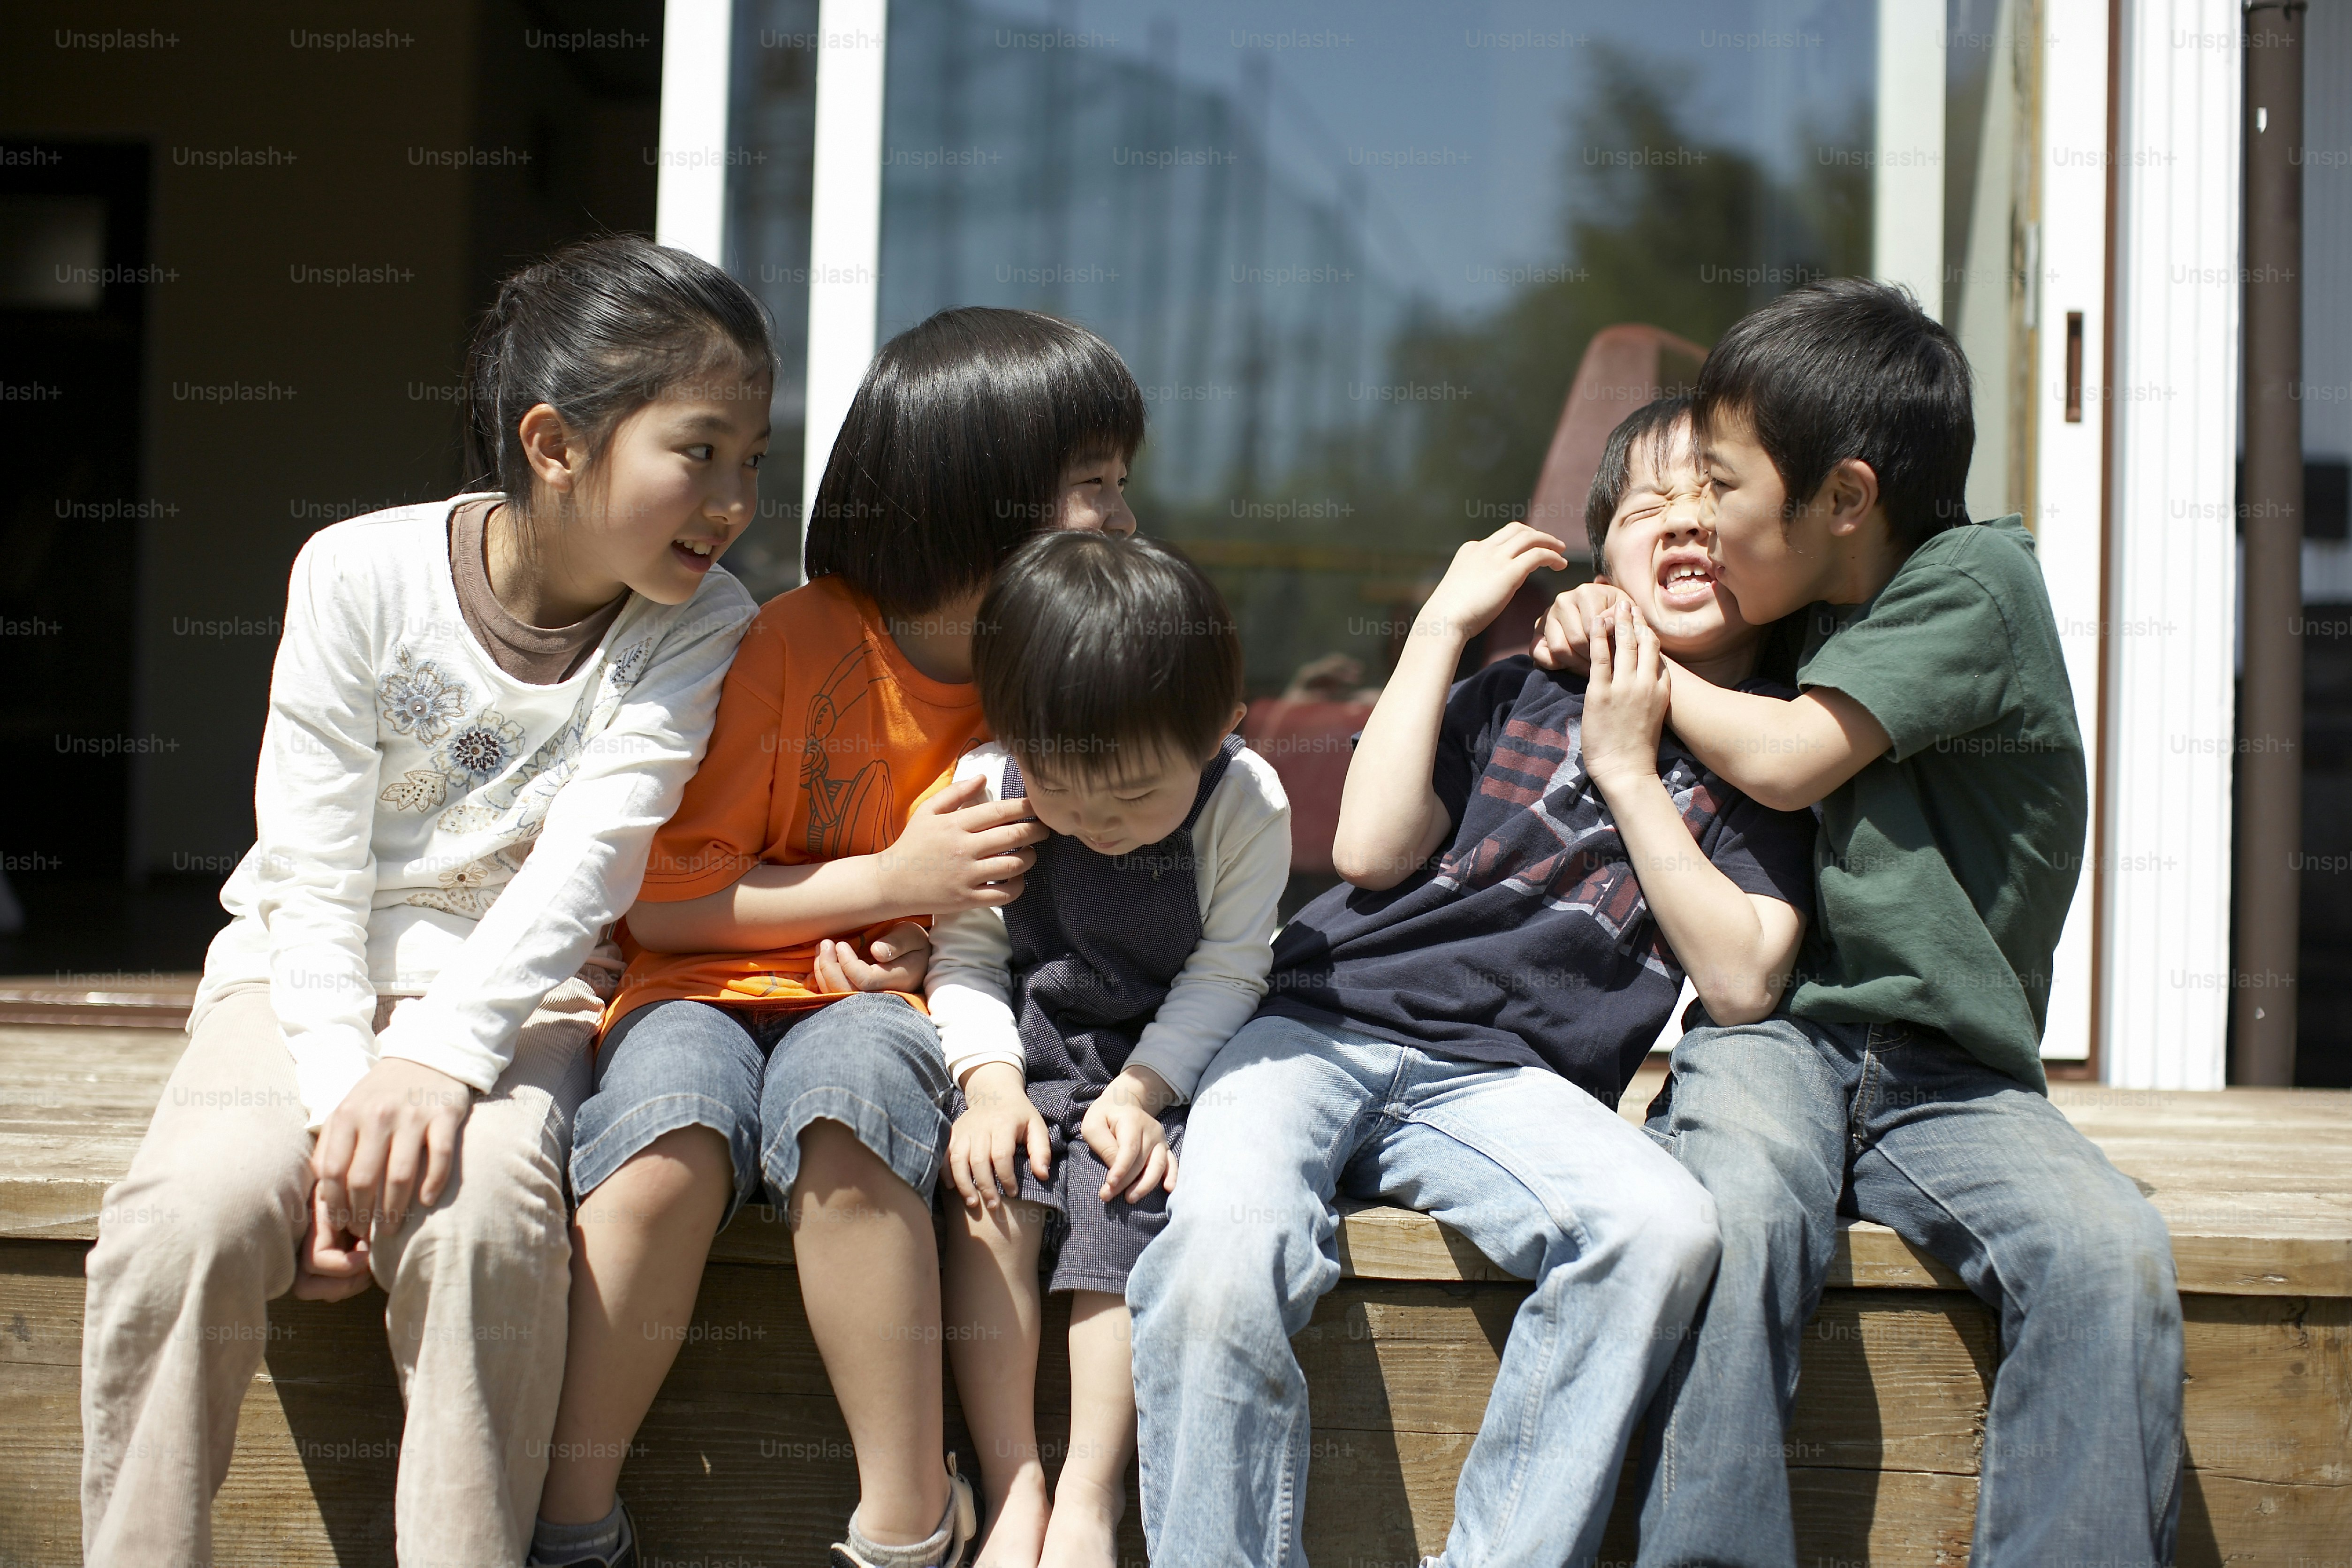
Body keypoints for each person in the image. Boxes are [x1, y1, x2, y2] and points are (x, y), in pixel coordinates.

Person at [79, 233, 769, 1568]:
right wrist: (350, 1104)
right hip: (297, 985)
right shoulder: (357, 574)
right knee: (189, 1219)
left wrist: (439, 1063)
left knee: (483, 1228)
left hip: (517, 1005)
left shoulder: (701, 622)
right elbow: (312, 866)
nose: (733, 496)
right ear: (555, 444)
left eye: (752, 458)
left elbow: (588, 869)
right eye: (699, 451)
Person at [1538, 279, 2183, 1568]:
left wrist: (1632, 679)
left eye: (1720, 487)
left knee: (2106, 1256)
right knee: (1736, 1208)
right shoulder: (1792, 596)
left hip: (1952, 1073)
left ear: (1841, 498)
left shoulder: (1975, 585)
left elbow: (1781, 759)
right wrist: (1591, 608)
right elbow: (1653, 588)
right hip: (1778, 1039)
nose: (1698, 519)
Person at [1128, 395, 1819, 1565]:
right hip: (1315, 1025)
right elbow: (1366, 851)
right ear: (1603, 546)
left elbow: (1745, 977)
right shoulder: (1510, 692)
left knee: (1658, 1224)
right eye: (1653, 502)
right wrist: (1443, 629)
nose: (1686, 521)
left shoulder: (1767, 761)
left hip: (1509, 1086)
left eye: (1716, 498)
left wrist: (1628, 765)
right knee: (1217, 1255)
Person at [530, 308, 1149, 1568]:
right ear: (981, 495)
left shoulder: (1058, 675)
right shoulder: (789, 643)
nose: (1124, 520)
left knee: (851, 1101)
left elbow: (1065, 911)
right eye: (1095, 487)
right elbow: (662, 905)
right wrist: (888, 875)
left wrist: (929, 935)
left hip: (892, 1017)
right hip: (692, 986)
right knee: (660, 1140)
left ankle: (906, 1519)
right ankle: (567, 1518)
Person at [926, 530, 1290, 1568]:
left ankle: (1090, 1488)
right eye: (1066, 794)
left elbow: (1228, 969)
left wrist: (1142, 1090)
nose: (1097, 820)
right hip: (1024, 1046)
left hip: (1159, 1056)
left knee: (1123, 1200)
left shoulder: (1243, 800)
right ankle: (1013, 1482)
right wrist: (989, 1087)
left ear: (1220, 727)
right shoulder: (991, 787)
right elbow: (962, 954)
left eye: (1132, 796)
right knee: (988, 1188)